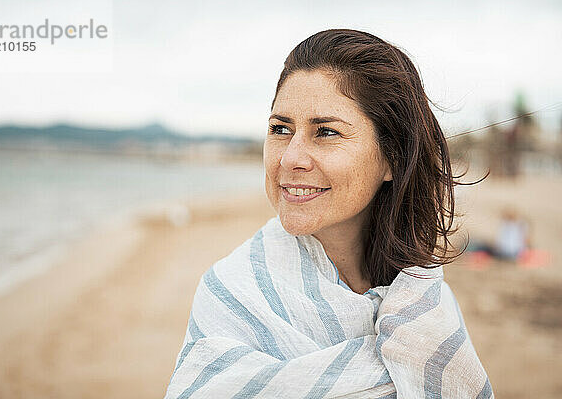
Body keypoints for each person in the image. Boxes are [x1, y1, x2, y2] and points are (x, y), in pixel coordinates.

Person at [165, 29, 492, 398]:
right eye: (280, 129)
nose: (290, 158)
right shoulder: (232, 293)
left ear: (393, 157)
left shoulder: (425, 300)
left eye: (325, 132)